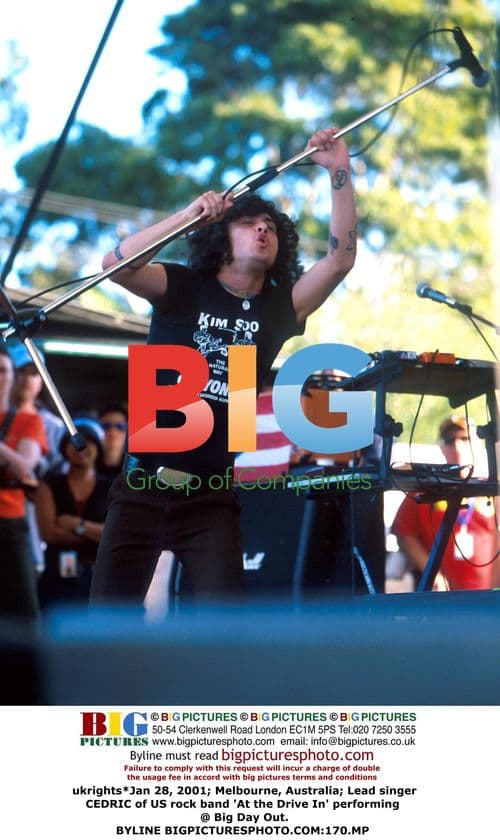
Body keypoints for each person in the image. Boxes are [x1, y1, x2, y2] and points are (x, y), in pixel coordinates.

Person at [90, 127, 357, 605]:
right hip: (142, 486)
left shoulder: (281, 309)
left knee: (224, 629)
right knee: (108, 624)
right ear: (219, 236)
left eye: (270, 228)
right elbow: (115, 262)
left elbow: (339, 260)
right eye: (249, 222)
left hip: (213, 497)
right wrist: (187, 216)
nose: (262, 230)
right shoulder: (182, 286)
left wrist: (340, 171)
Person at [392, 416, 499, 590]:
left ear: (477, 444)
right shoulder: (424, 488)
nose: (457, 446)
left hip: (487, 599)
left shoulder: (492, 489)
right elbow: (403, 533)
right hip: (442, 601)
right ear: (441, 447)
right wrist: (431, 573)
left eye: (465, 438)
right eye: (450, 440)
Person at [36, 417, 109, 609]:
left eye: (89, 441)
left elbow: (112, 534)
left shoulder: (110, 487)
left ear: (98, 448)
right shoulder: (50, 483)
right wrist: (94, 534)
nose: (81, 447)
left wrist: (77, 525)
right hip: (56, 577)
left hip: (98, 578)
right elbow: (49, 533)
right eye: (74, 441)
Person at [8, 340, 66, 573]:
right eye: (20, 371)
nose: (26, 379)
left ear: (42, 380)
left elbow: (62, 476)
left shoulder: (54, 426)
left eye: (34, 373)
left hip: (34, 518)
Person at [0, 345, 47, 620]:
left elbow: (24, 467)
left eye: (3, 370)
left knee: (25, 611)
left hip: (9, 522)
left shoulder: (29, 421)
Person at [96, 406, 128, 480]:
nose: (113, 432)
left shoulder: (138, 469)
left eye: (120, 426)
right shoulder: (85, 466)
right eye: (106, 426)